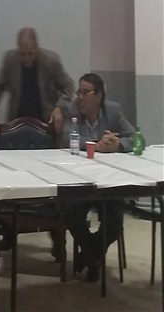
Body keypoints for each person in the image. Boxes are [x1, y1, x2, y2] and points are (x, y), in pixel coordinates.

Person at [61, 72, 134, 282]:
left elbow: (136, 137)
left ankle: (89, 256)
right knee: (72, 214)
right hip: (79, 179)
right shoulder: (73, 110)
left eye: (86, 93)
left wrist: (118, 145)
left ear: (99, 96)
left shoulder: (113, 111)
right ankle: (94, 257)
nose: (80, 98)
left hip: (108, 181)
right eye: (79, 92)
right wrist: (96, 145)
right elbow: (67, 139)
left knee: (115, 222)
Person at [0, 27, 73, 137]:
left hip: (46, 122)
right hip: (16, 122)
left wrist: (59, 108)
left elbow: (68, 87)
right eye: (22, 54)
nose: (26, 58)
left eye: (30, 53)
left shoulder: (51, 61)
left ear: (37, 47)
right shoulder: (10, 59)